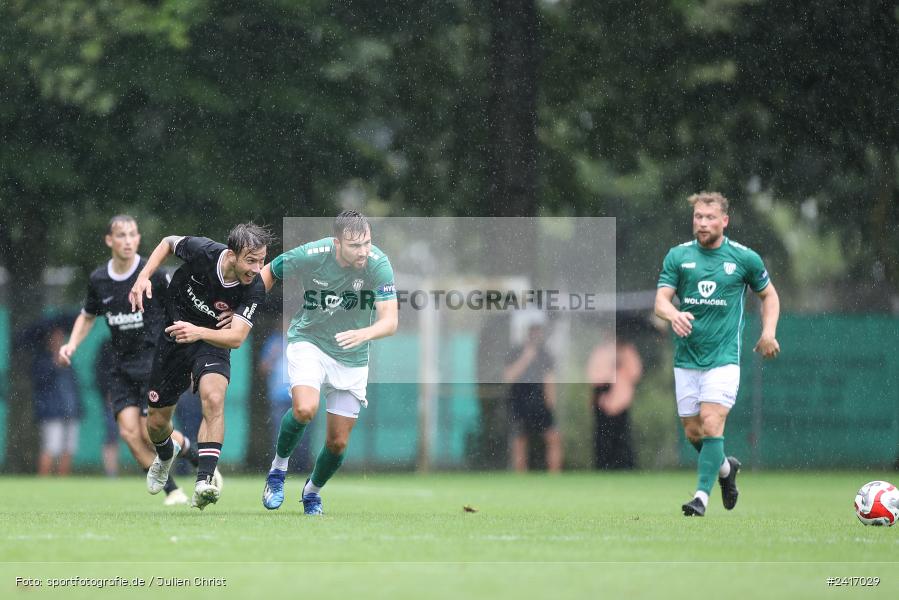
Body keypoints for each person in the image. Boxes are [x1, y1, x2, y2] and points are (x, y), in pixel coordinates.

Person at [260, 210, 398, 515]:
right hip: (309, 340)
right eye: (355, 246)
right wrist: (244, 309)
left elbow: (390, 321)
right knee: (305, 409)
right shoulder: (314, 254)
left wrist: (365, 333)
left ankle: (312, 492)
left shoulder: (378, 264)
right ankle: (278, 471)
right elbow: (269, 271)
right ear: (337, 244)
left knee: (337, 443)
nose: (363, 251)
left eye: (367, 243)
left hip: (352, 353)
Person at [59, 215, 201, 504]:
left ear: (138, 239)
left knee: (151, 434)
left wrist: (184, 359)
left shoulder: (153, 275)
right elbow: (87, 316)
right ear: (109, 240)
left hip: (154, 363)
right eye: (121, 235)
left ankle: (197, 457)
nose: (127, 240)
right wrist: (71, 344)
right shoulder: (99, 279)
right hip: (121, 366)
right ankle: (173, 491)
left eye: (132, 234)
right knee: (128, 432)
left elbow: (177, 314)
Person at [129, 222, 272, 510]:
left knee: (214, 397)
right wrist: (143, 277)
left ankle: (204, 481)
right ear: (231, 255)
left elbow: (236, 337)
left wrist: (199, 331)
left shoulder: (253, 288)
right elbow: (168, 241)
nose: (257, 269)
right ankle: (167, 453)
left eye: (261, 261)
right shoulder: (204, 251)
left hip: (212, 342)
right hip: (173, 337)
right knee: (155, 424)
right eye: (251, 261)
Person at [655, 191, 780, 516]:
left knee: (712, 423)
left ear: (724, 221)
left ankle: (700, 498)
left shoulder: (744, 258)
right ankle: (726, 470)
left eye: (710, 217)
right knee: (693, 432)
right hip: (686, 359)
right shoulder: (678, 256)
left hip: (723, 359)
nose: (703, 222)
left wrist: (768, 332)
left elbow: (769, 296)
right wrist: (674, 314)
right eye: (698, 217)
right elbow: (661, 301)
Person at [503, 322, 563, 472]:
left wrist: (551, 401)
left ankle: (555, 474)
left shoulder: (545, 354)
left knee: (553, 437)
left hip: (540, 401)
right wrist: (526, 357)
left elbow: (549, 379)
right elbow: (508, 377)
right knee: (520, 439)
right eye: (533, 332)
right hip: (520, 400)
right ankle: (520, 473)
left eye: (538, 333)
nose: (535, 336)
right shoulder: (516, 352)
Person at [33, 323, 82, 476]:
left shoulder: (69, 360)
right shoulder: (42, 360)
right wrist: (54, 364)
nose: (59, 340)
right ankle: (44, 482)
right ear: (49, 340)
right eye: (56, 338)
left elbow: (74, 386)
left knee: (69, 448)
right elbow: (39, 381)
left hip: (70, 409)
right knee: (51, 447)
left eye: (61, 338)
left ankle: (62, 483)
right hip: (52, 412)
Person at [586, 339, 643, 470]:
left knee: (622, 437)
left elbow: (635, 374)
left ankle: (624, 466)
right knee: (603, 437)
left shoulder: (627, 351)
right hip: (603, 399)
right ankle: (603, 466)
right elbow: (594, 376)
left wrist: (621, 360)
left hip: (621, 401)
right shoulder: (600, 351)